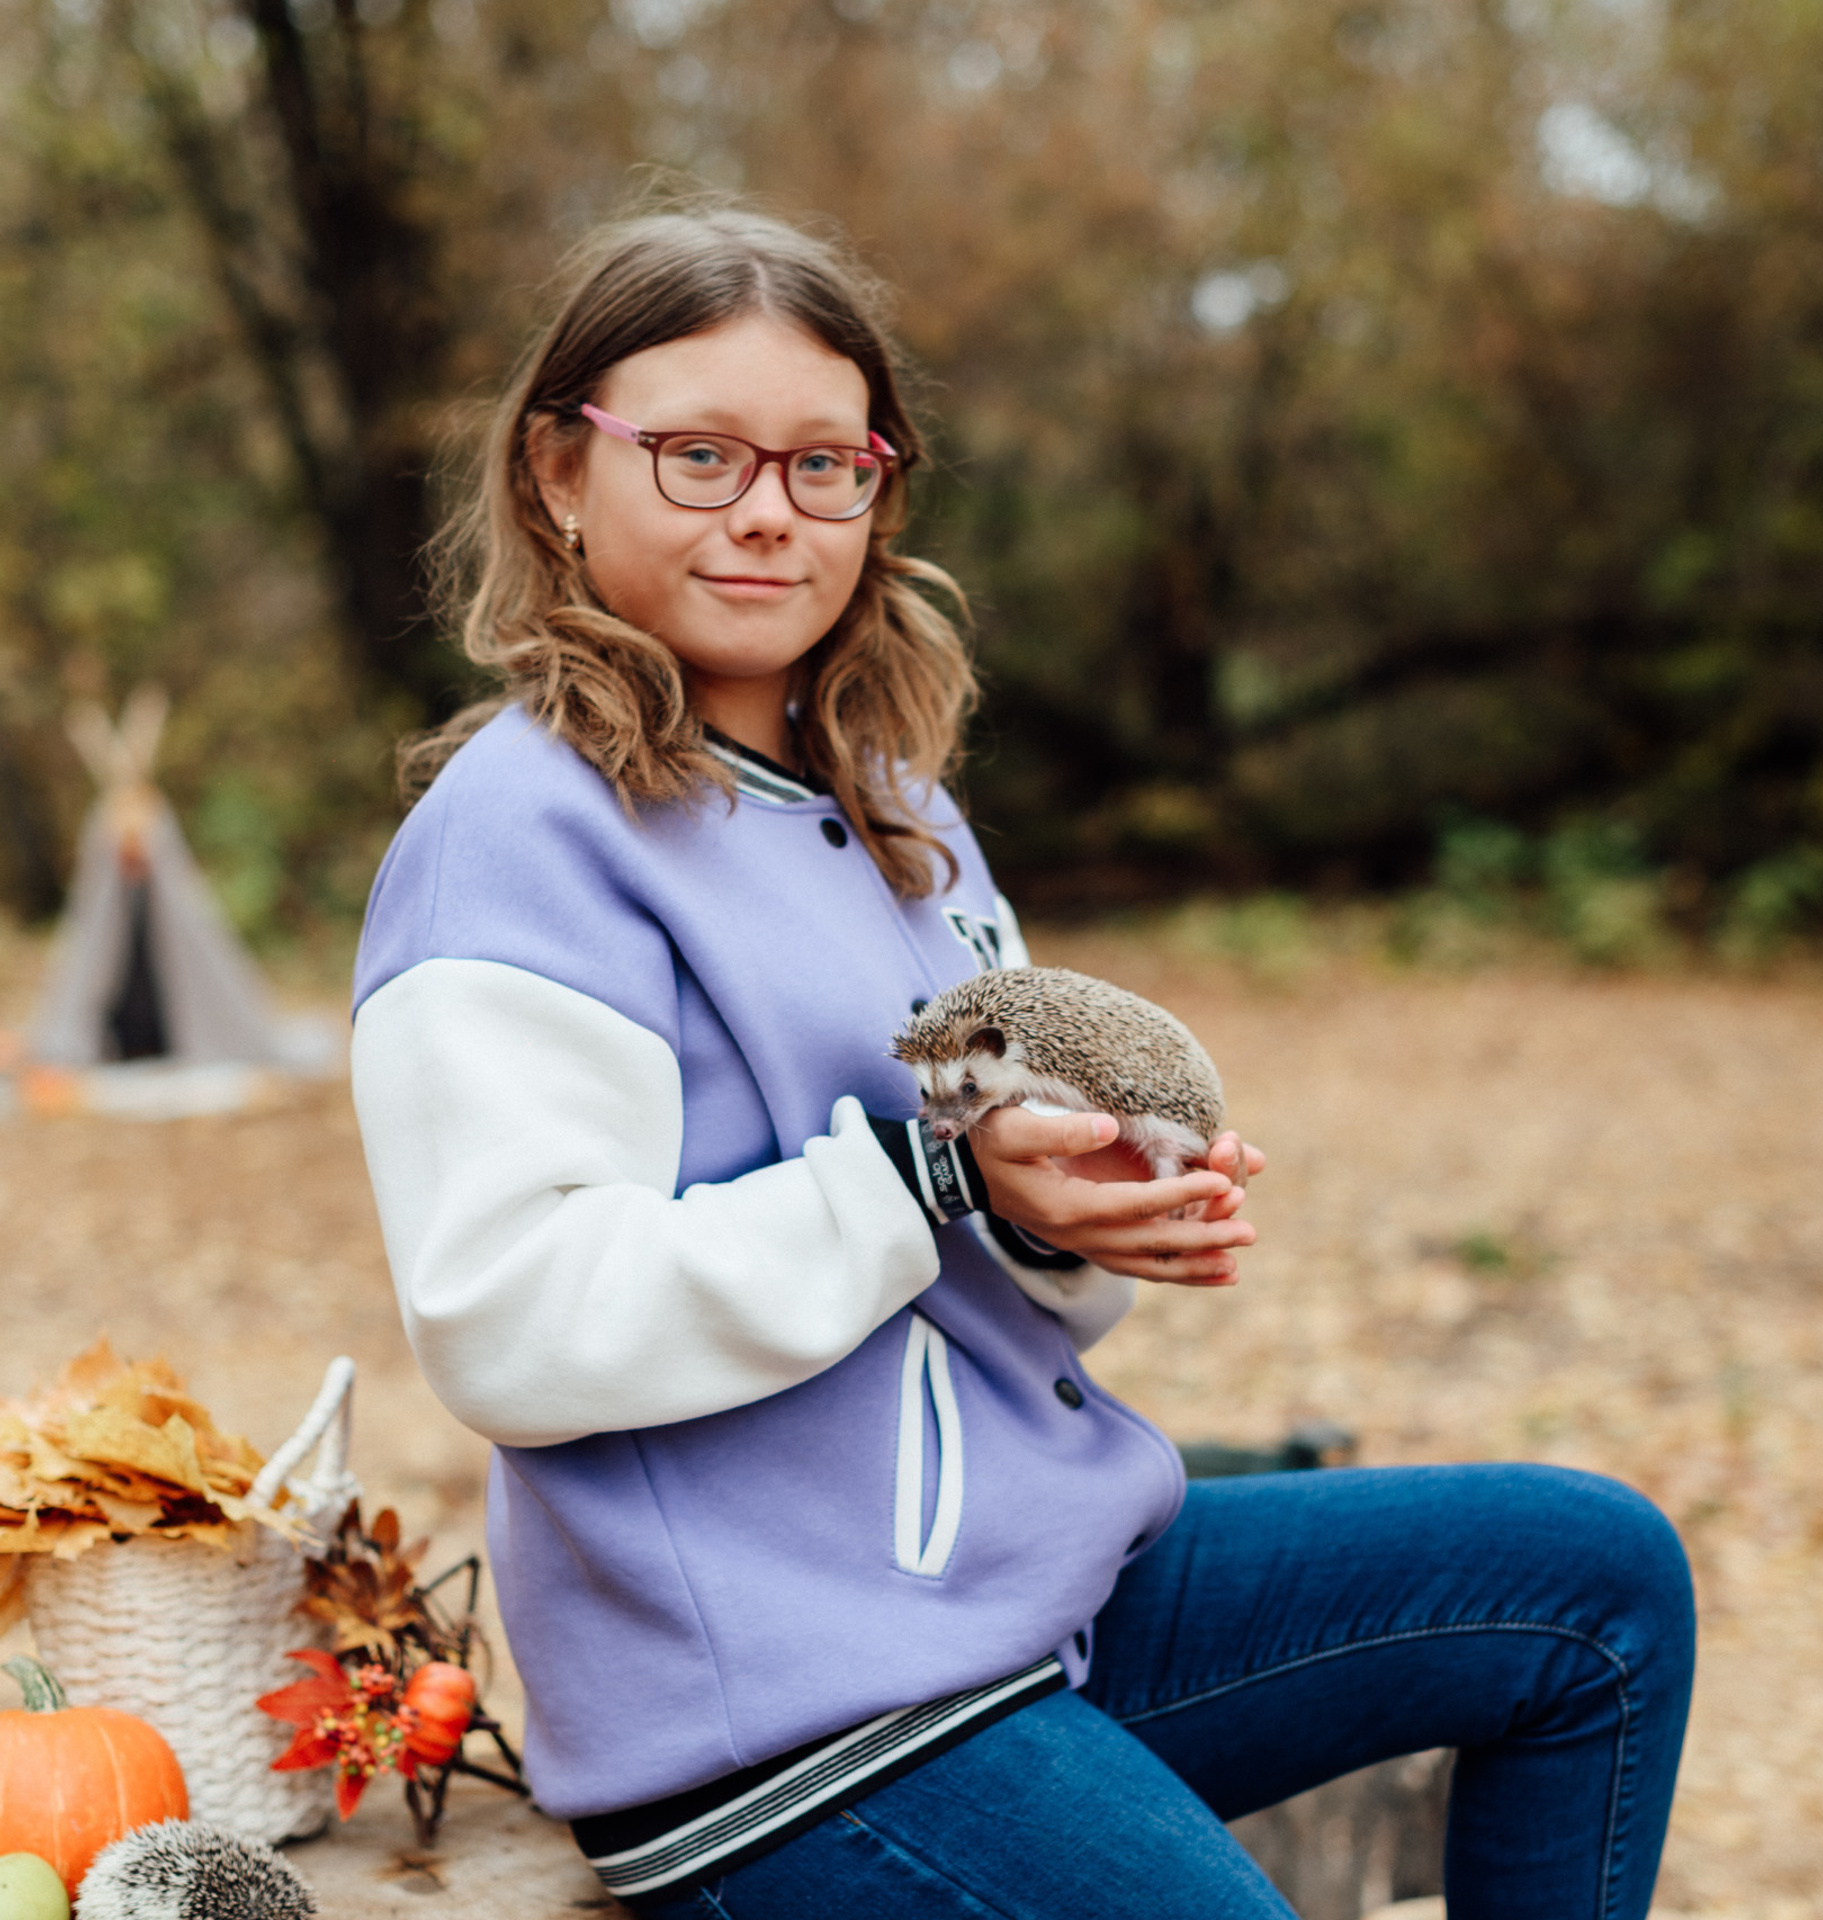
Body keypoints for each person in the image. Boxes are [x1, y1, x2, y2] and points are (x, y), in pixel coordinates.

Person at [351, 207, 1694, 1920]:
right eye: (695, 455)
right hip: (797, 1706)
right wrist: (934, 1182)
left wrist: (1071, 1219)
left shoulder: (895, 808)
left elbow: (980, 1222)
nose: (767, 508)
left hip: (1045, 1577)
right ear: (558, 472)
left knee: (1598, 1586)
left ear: (877, 490)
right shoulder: (520, 840)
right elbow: (514, 1320)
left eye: (823, 462)